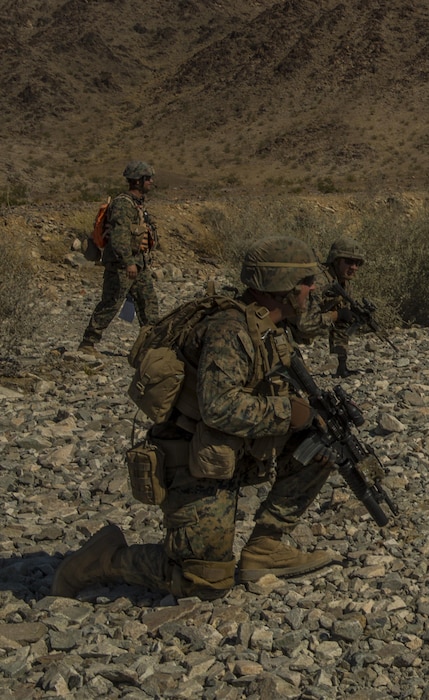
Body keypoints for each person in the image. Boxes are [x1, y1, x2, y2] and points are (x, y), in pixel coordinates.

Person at [53, 237, 340, 601]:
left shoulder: (268, 325)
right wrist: (288, 413)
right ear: (283, 288)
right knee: (202, 582)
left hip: (228, 448)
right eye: (306, 283)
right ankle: (106, 559)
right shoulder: (231, 329)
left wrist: (307, 417)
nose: (312, 290)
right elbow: (218, 406)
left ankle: (266, 546)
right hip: (193, 461)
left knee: (321, 444)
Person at [78, 161, 160, 356]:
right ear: (138, 181)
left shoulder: (138, 204)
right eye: (147, 178)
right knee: (111, 303)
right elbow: (119, 237)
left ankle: (152, 346)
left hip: (138, 264)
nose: (151, 181)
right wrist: (128, 262)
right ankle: (88, 343)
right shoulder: (123, 204)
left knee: (148, 303)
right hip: (122, 266)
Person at [299, 238, 367, 377]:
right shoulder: (318, 281)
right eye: (348, 262)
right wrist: (337, 315)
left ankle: (341, 368)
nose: (354, 267)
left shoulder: (344, 283)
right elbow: (305, 323)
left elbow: (340, 326)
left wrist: (341, 364)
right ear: (335, 261)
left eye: (358, 263)